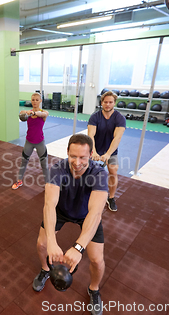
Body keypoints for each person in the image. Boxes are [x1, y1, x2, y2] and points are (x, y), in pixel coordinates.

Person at [32, 134, 108, 315]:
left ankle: (94, 289)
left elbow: (96, 213)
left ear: (91, 155)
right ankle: (45, 270)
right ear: (67, 152)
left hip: (87, 215)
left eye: (83, 157)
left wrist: (79, 247)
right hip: (61, 210)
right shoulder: (57, 169)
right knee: (42, 244)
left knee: (97, 260)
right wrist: (51, 241)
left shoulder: (99, 173)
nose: (77, 162)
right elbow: (49, 205)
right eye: (73, 156)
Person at [87, 91, 126, 212]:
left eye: (110, 102)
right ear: (102, 102)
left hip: (111, 150)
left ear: (114, 103)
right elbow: (90, 135)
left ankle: (111, 197)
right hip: (95, 149)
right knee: (88, 172)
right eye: (105, 102)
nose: (107, 104)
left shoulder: (120, 118)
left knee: (113, 171)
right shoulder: (95, 117)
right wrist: (94, 152)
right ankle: (87, 194)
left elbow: (117, 138)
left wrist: (108, 154)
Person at [12, 92, 50, 189]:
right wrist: (24, 112)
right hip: (29, 142)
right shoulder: (28, 113)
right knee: (23, 161)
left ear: (40, 101)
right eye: (33, 100)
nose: (35, 102)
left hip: (40, 142)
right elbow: (21, 113)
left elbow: (42, 114)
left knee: (44, 164)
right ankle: (19, 181)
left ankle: (48, 184)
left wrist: (33, 113)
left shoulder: (44, 113)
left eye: (37, 100)